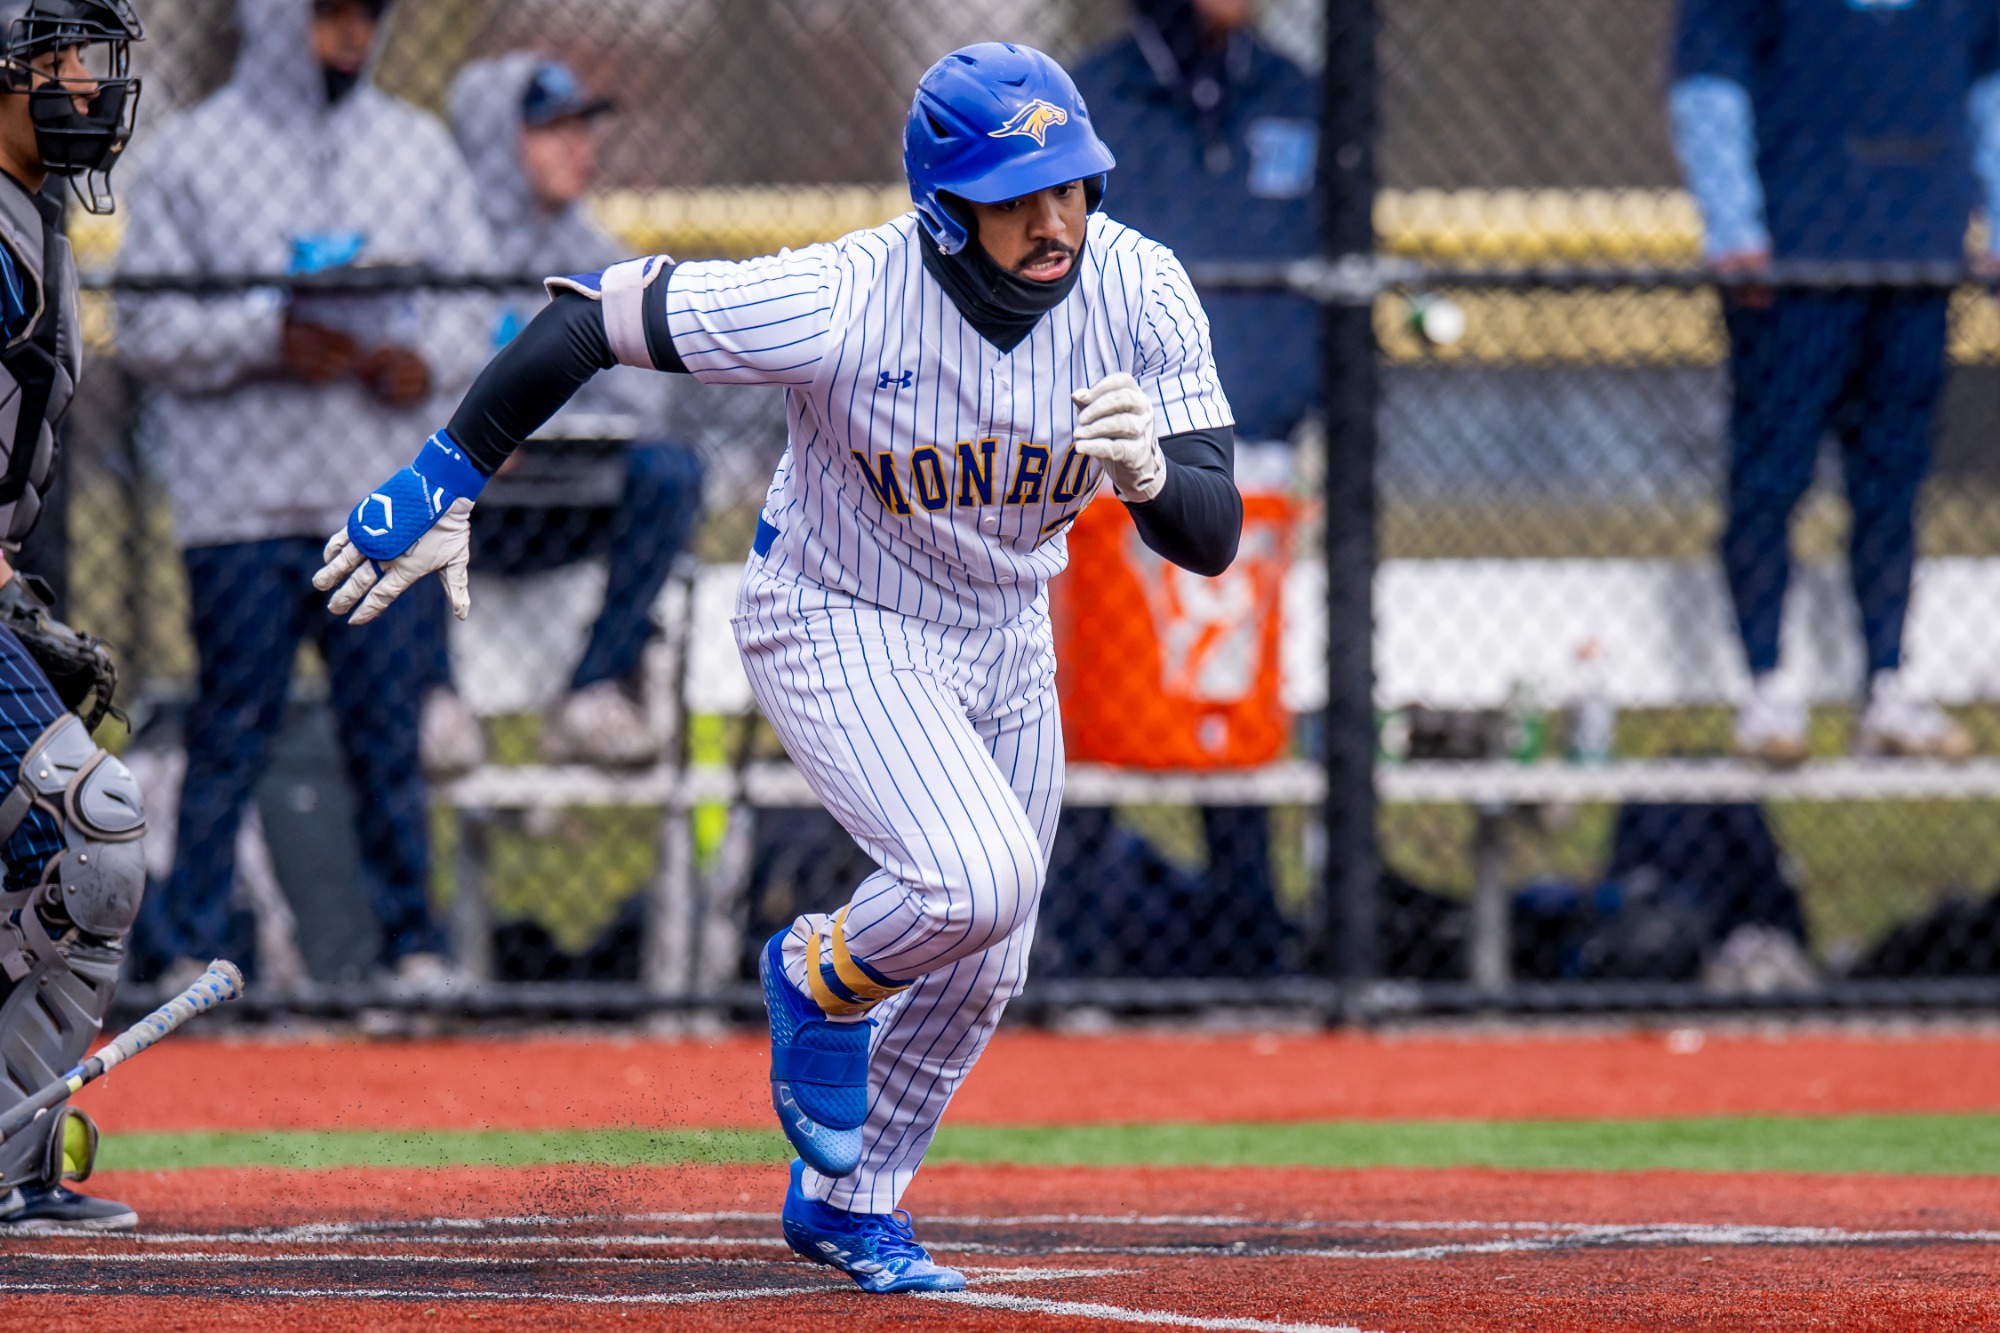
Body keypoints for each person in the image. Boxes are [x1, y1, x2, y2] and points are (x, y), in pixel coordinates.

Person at [312, 43, 1241, 1292]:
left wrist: (1150, 477)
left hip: (1004, 629)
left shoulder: (1137, 286)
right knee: (974, 878)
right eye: (1016, 196)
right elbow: (589, 319)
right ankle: (817, 972)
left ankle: (852, 1203)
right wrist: (446, 472)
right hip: (837, 611)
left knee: (987, 958)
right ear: (943, 210)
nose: (1053, 220)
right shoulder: (844, 295)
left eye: (1069, 186)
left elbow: (1211, 533)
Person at [115, 0, 491, 991]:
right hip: (240, 506)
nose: (351, 33)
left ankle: (410, 951)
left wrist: (425, 359)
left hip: (376, 504)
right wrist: (264, 336)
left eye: (366, 14)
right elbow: (143, 324)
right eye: (328, 14)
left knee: (386, 736)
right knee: (232, 729)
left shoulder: (416, 148)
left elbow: (476, 303)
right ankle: (189, 950)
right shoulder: (195, 154)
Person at [1670, 0, 2000, 764]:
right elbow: (1708, 83)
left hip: (1918, 256)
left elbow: (1989, 86)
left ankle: (1887, 685)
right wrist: (1734, 225)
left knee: (1891, 481)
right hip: (1792, 264)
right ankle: (1767, 688)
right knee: (1771, 476)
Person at [1059, 0, 1317, 966]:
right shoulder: (1093, 101)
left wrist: (1290, 398)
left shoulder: (1296, 95)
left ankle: (1252, 952)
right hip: (1117, 460)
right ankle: (1064, 955)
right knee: (1102, 707)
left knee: (1229, 710)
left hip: (1260, 462)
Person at [437, 53, 704, 769]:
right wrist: (481, 433)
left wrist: (539, 426)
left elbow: (645, 399)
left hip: (570, 497)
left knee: (671, 471)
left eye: (582, 128)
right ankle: (433, 696)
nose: (578, 146)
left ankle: (592, 692)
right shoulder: (447, 249)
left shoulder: (602, 258)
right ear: (496, 140)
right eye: (551, 130)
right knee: (389, 462)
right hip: (471, 504)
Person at [0, 0, 150, 1231]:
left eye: (86, 63)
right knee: (90, 827)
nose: (84, 88)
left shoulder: (30, 217)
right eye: (54, 62)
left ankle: (17, 1151)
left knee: (39, 861)